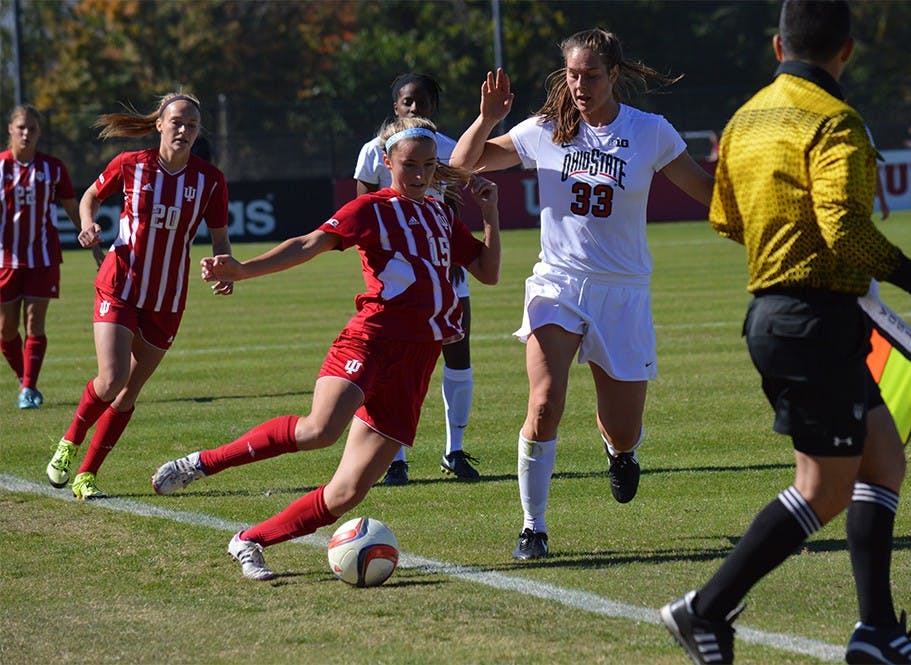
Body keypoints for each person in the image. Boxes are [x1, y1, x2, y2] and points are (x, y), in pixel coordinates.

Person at [657, 3, 911, 664]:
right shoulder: (836, 120)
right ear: (847, 50)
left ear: (776, 44)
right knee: (824, 488)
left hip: (790, 316)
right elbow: (845, 230)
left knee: (884, 459)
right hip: (810, 319)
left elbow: (727, 219)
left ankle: (877, 629)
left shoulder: (745, 118)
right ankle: (703, 609)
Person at [150, 116, 501, 581]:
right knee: (320, 429)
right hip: (371, 340)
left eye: (428, 165)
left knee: (347, 493)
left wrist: (491, 214)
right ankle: (201, 464)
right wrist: (242, 270)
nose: (419, 174)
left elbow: (487, 271)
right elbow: (308, 243)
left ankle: (249, 540)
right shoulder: (371, 208)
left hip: (418, 361)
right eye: (409, 164)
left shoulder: (440, 213)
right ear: (386, 161)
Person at [450, 28, 715, 560]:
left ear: (614, 75)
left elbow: (709, 193)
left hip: (623, 293)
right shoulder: (545, 130)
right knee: (544, 403)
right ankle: (534, 527)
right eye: (572, 74)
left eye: (591, 75)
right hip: (557, 285)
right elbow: (460, 169)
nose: (580, 85)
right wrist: (487, 119)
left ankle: (621, 453)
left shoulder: (650, 132)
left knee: (624, 426)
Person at [44, 92, 233, 500]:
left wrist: (226, 268)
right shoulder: (132, 165)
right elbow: (90, 196)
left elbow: (221, 239)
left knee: (130, 391)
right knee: (111, 379)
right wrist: (88, 224)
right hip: (121, 284)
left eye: (192, 125)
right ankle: (69, 443)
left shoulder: (210, 180)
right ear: (160, 125)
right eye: (177, 122)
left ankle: (87, 475)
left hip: (167, 299)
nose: (184, 130)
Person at [355, 73, 480, 486]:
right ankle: (396, 458)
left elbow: (454, 204)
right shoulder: (374, 151)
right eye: (407, 102)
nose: (414, 109)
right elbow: (363, 211)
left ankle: (455, 450)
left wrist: (457, 253)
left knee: (457, 356)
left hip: (445, 273)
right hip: (398, 279)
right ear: (395, 107)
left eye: (422, 102)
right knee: (394, 364)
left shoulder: (447, 149)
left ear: (432, 107)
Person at [1, 105, 104, 410]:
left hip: (43, 257)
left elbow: (74, 209)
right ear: (10, 129)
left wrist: (94, 245)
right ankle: (25, 379)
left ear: (39, 132)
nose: (26, 133)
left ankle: (29, 388)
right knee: (6, 331)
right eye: (21, 127)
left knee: (35, 323)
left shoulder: (53, 168)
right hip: (5, 260)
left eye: (32, 128)